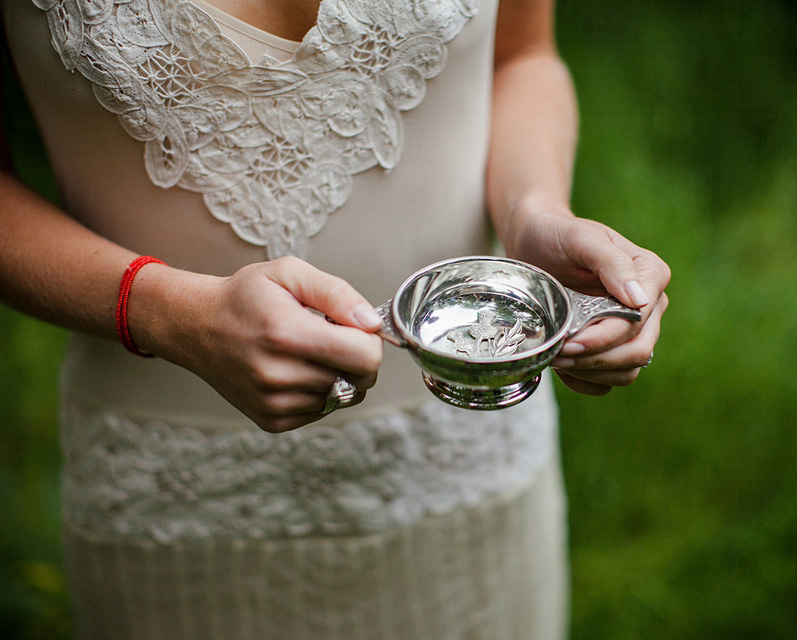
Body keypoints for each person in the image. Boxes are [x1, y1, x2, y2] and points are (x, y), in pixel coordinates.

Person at [0, 0, 670, 637]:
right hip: (174, 505)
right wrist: (164, 313)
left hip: (468, 466)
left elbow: (520, 56)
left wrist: (535, 215)